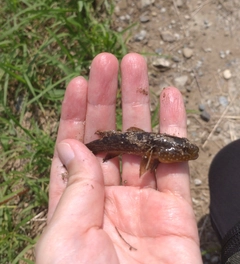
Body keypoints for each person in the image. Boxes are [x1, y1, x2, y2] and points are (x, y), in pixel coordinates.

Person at [35, 53, 203, 263]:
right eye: (183, 152)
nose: (185, 155)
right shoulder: (154, 150)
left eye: (184, 151)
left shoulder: (157, 148)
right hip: (116, 145)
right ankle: (79, 157)